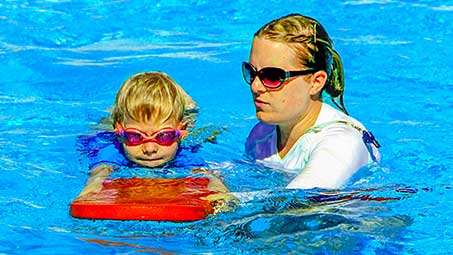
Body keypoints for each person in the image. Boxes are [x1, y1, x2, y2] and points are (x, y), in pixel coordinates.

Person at [242, 14, 381, 190]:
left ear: (316, 82)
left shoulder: (341, 142)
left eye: (271, 76)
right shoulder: (262, 134)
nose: (255, 86)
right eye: (251, 72)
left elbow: (297, 204)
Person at [77, 71, 235, 213]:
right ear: (120, 134)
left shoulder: (182, 152)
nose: (150, 148)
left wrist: (220, 193)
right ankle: (114, 115)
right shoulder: (112, 150)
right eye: (135, 136)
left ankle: (190, 108)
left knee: (197, 133)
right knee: (100, 128)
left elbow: (206, 175)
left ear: (179, 134)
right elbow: (100, 173)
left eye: (164, 136)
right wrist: (92, 189)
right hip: (105, 135)